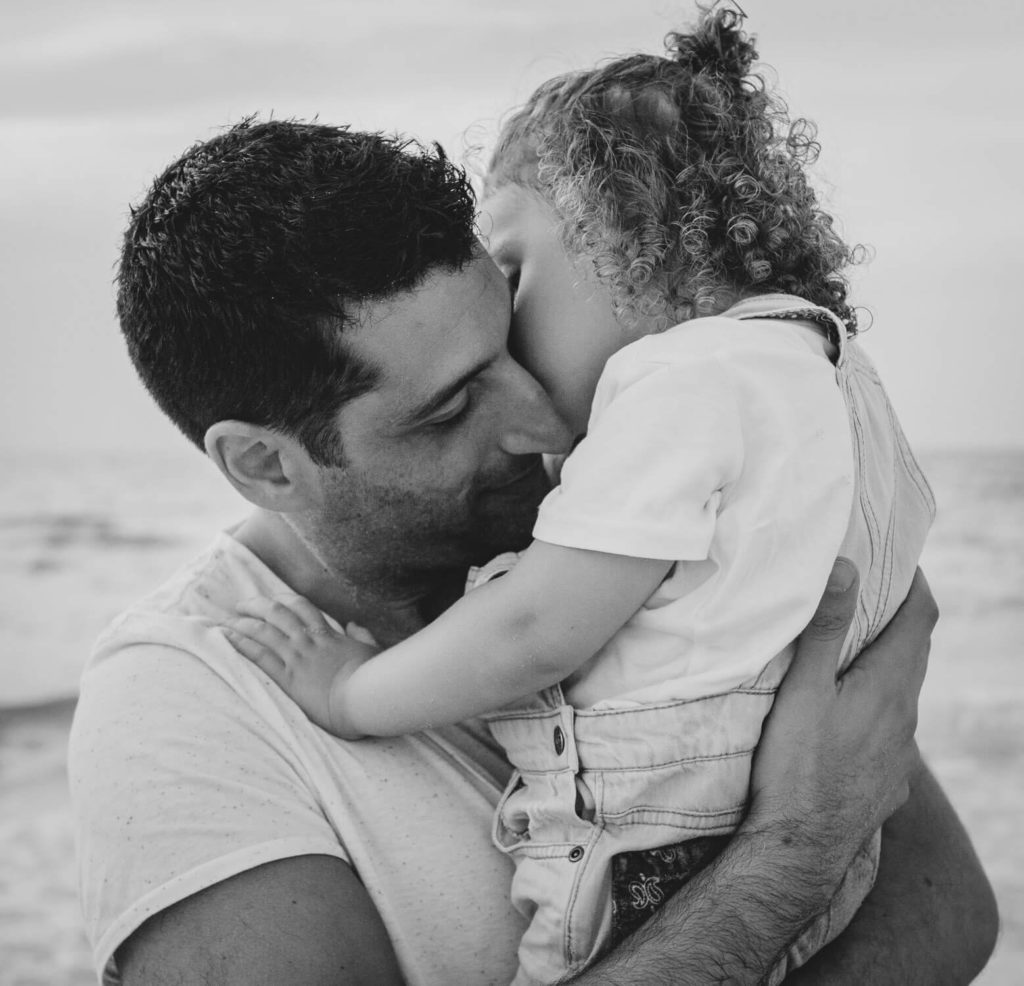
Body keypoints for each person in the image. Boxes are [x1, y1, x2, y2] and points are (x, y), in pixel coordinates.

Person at [67, 112, 996, 986]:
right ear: (265, 464)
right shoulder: (184, 701)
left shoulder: (627, 513)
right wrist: (794, 852)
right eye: (452, 408)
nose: (545, 423)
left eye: (514, 336)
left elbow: (948, 911)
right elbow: (843, 827)